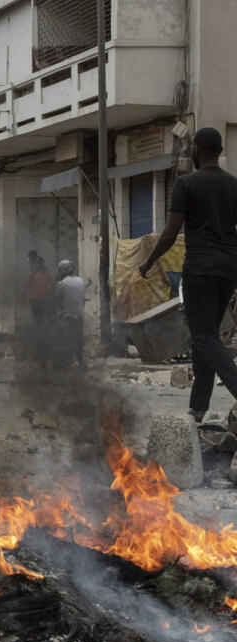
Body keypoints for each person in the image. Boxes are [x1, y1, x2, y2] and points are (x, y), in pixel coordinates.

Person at [139, 127, 237, 422]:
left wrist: (146, 263)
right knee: (205, 337)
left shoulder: (186, 183)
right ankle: (198, 408)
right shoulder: (234, 185)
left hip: (201, 267)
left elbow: (170, 234)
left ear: (196, 150)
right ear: (219, 152)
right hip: (229, 268)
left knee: (203, 335)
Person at [53, 259, 85, 367]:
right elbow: (82, 299)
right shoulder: (80, 281)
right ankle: (80, 360)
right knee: (78, 339)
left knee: (64, 340)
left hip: (66, 316)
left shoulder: (61, 284)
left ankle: (66, 362)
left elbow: (57, 300)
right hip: (79, 315)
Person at [22, 253, 53, 324]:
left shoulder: (46, 273)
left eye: (37, 263)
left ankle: (40, 331)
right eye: (35, 263)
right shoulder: (32, 274)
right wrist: (23, 297)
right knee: (37, 317)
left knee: (41, 317)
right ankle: (38, 331)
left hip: (44, 299)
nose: (36, 265)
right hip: (36, 299)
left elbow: (52, 285)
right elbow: (26, 285)